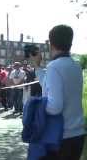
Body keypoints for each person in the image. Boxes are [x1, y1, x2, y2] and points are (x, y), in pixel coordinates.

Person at [31, 25, 85, 160]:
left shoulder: (54, 67)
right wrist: (37, 67)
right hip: (77, 134)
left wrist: (35, 106)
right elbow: (48, 85)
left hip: (59, 137)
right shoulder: (76, 66)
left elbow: (55, 107)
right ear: (70, 43)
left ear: (51, 44)